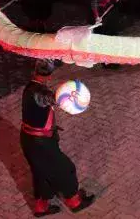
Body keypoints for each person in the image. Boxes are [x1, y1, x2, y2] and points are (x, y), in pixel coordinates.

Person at [20, 60, 95, 216]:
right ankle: (75, 202)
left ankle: (41, 207)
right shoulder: (39, 93)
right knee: (65, 169)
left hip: (29, 140)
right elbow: (57, 99)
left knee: (40, 172)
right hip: (41, 143)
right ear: (49, 75)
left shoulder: (30, 87)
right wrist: (73, 92)